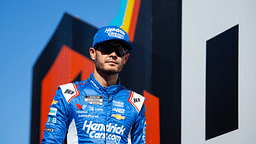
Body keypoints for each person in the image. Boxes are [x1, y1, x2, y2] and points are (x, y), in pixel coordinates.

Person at [41, 26, 146, 144]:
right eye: (106, 49)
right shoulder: (68, 94)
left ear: (125, 58)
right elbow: (51, 141)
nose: (113, 54)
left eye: (120, 50)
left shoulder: (136, 102)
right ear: (92, 53)